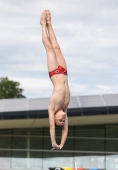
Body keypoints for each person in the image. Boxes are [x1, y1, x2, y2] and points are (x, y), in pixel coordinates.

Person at [40, 10, 70, 150]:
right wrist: (62, 144)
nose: (63, 120)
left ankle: (42, 25)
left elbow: (52, 127)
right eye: (63, 121)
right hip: (63, 72)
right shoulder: (64, 107)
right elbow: (65, 130)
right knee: (57, 46)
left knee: (49, 48)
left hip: (54, 72)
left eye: (60, 120)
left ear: (56, 117)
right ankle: (50, 24)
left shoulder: (52, 108)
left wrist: (55, 143)